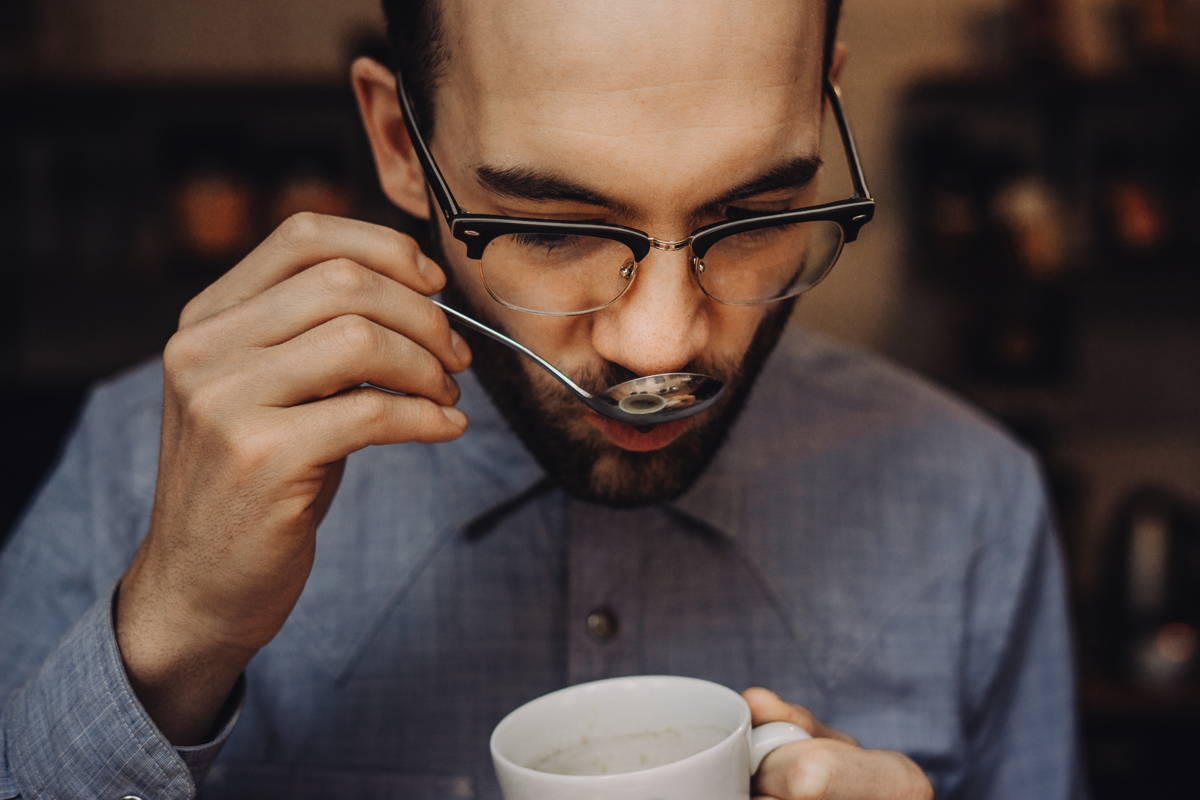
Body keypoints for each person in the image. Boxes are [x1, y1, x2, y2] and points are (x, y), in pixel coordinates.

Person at [0, 1, 1083, 798]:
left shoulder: (974, 501)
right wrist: (172, 638)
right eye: (555, 226)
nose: (658, 341)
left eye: (754, 209)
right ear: (398, 145)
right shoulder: (128, 468)